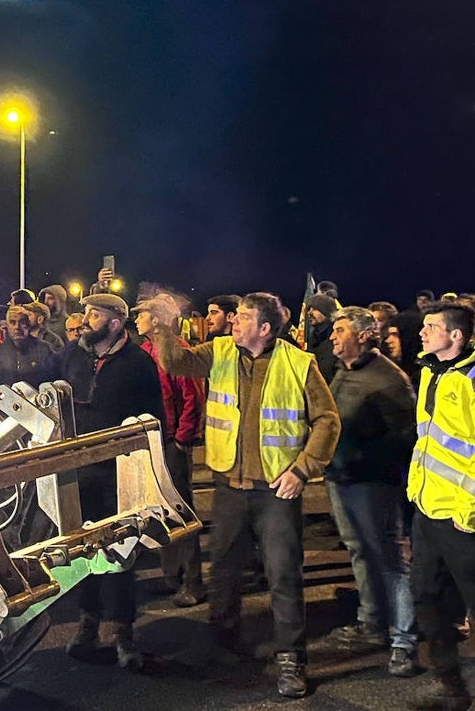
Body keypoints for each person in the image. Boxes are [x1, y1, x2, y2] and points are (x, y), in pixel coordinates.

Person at [148, 291, 340, 699]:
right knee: (223, 569)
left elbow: (327, 421)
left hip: (276, 492)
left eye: (243, 316)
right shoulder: (219, 351)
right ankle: (223, 642)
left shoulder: (298, 363)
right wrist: (166, 325)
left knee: (283, 575)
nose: (233, 320)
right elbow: (174, 362)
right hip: (229, 488)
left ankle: (291, 659)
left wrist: (303, 469)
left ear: (265, 328)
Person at [53, 293, 165, 671]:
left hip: (120, 476)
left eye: (94, 314)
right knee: (82, 552)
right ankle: (87, 623)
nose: (85, 320)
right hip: (77, 474)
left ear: (115, 322)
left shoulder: (138, 364)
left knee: (120, 555)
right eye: (86, 313)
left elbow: (154, 422)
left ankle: (122, 632)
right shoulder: (72, 356)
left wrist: (148, 476)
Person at [323, 307, 417, 676]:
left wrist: (361, 456)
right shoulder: (342, 373)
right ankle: (372, 621)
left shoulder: (389, 380)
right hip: (341, 479)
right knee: (359, 550)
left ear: (364, 336)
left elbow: (405, 438)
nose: (333, 336)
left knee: (390, 558)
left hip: (372, 484)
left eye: (340, 329)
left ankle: (403, 642)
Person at [405, 302, 475, 711]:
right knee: (427, 596)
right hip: (428, 509)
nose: (422, 331)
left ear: (456, 336)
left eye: (432, 326)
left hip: (464, 516)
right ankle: (450, 686)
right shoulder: (431, 371)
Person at [134, 296, 207, 607]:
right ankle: (170, 575)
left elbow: (193, 397)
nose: (136, 320)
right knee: (159, 509)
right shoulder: (146, 351)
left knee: (181, 509)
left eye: (142, 315)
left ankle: (193, 581)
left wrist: (181, 439)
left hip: (171, 442)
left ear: (157, 320)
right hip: (153, 440)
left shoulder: (176, 351)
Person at [0, 305, 53, 388]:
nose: (17, 327)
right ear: (7, 326)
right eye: (13, 322)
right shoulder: (0, 351)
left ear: (28, 325)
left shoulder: (44, 349)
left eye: (22, 322)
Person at [305, 293, 341, 383]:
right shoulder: (313, 337)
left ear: (327, 311)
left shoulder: (338, 337)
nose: (310, 312)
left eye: (315, 309)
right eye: (309, 309)